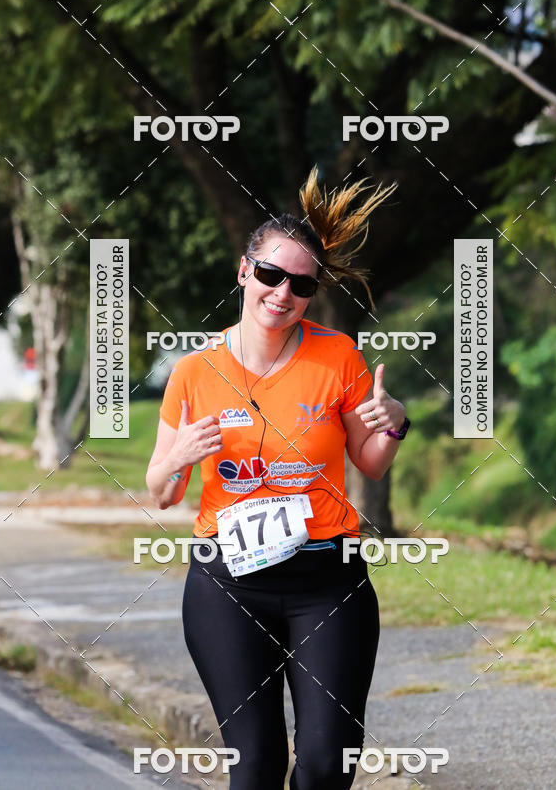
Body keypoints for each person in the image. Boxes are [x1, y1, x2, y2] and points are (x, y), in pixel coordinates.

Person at [146, 166, 410, 789]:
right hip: (228, 584)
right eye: (270, 275)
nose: (282, 293)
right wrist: (178, 454)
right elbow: (162, 493)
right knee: (257, 764)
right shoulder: (194, 372)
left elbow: (368, 460)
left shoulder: (337, 356)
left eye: (300, 284)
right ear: (245, 271)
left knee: (325, 765)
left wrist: (394, 423)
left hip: (328, 580)